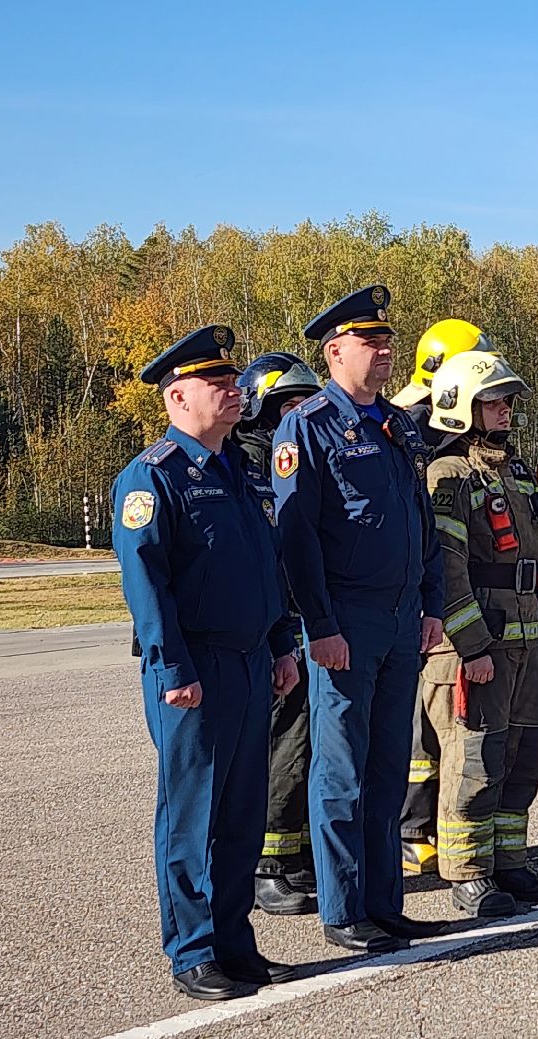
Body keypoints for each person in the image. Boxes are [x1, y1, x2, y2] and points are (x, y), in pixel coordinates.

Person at [116, 325, 302, 999]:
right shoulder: (153, 477)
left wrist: (282, 646)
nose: (232, 390)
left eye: (231, 380)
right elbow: (146, 584)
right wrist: (171, 670)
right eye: (216, 383)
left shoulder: (242, 473)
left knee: (241, 815)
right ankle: (193, 951)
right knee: (193, 815)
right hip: (194, 671)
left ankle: (233, 942)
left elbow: (266, 572)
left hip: (252, 662)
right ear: (177, 397)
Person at [274, 286, 450, 953]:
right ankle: (344, 908)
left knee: (387, 768)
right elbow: (297, 539)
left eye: (387, 344)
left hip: (404, 617)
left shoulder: (399, 425)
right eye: (370, 344)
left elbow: (421, 523)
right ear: (335, 350)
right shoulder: (309, 425)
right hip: (346, 618)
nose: (383, 355)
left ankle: (384, 902)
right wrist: (319, 625)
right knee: (342, 770)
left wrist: (433, 604)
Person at [414, 351, 538, 915]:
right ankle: (467, 872)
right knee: (475, 761)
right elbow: (447, 568)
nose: (506, 410)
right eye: (493, 401)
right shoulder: (447, 477)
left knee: (526, 755)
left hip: (529, 644)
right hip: (477, 649)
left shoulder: (518, 477)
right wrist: (473, 647)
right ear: (461, 407)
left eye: (508, 400)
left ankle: (509, 863)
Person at [391, 319, 494, 876]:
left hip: (436, 593)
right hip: (411, 596)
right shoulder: (413, 423)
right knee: (417, 729)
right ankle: (411, 832)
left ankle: (421, 828)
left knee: (432, 727)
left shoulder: (442, 421)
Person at [233, 352, 322, 917]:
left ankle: (302, 854)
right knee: (281, 746)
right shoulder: (240, 469)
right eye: (288, 404)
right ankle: (269, 864)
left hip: (311, 626)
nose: (299, 414)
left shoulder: (298, 464)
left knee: (312, 745)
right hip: (270, 633)